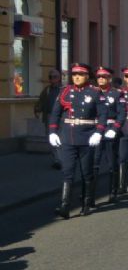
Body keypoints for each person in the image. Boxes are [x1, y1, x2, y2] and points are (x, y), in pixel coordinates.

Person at [48, 63, 107, 218]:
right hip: (68, 137)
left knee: (86, 172)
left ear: (87, 76)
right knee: (67, 172)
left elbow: (102, 114)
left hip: (87, 137)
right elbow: (55, 114)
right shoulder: (65, 92)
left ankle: (86, 203)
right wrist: (53, 132)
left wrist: (99, 132)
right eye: (74, 74)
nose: (76, 77)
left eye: (80, 74)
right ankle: (64, 206)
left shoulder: (95, 92)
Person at [94, 67, 122, 203]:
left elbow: (122, 114)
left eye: (103, 77)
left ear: (109, 79)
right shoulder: (92, 93)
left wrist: (115, 129)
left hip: (110, 130)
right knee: (94, 163)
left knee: (111, 163)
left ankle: (113, 191)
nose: (101, 79)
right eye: (99, 77)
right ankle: (90, 194)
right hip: (94, 131)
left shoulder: (116, 94)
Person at [35, 69, 63, 169]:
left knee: (61, 138)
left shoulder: (64, 89)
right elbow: (41, 101)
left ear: (59, 78)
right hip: (49, 117)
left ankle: (61, 159)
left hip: (61, 117)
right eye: (50, 77)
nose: (52, 79)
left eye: (55, 77)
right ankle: (57, 159)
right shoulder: (47, 90)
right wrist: (37, 110)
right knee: (51, 137)